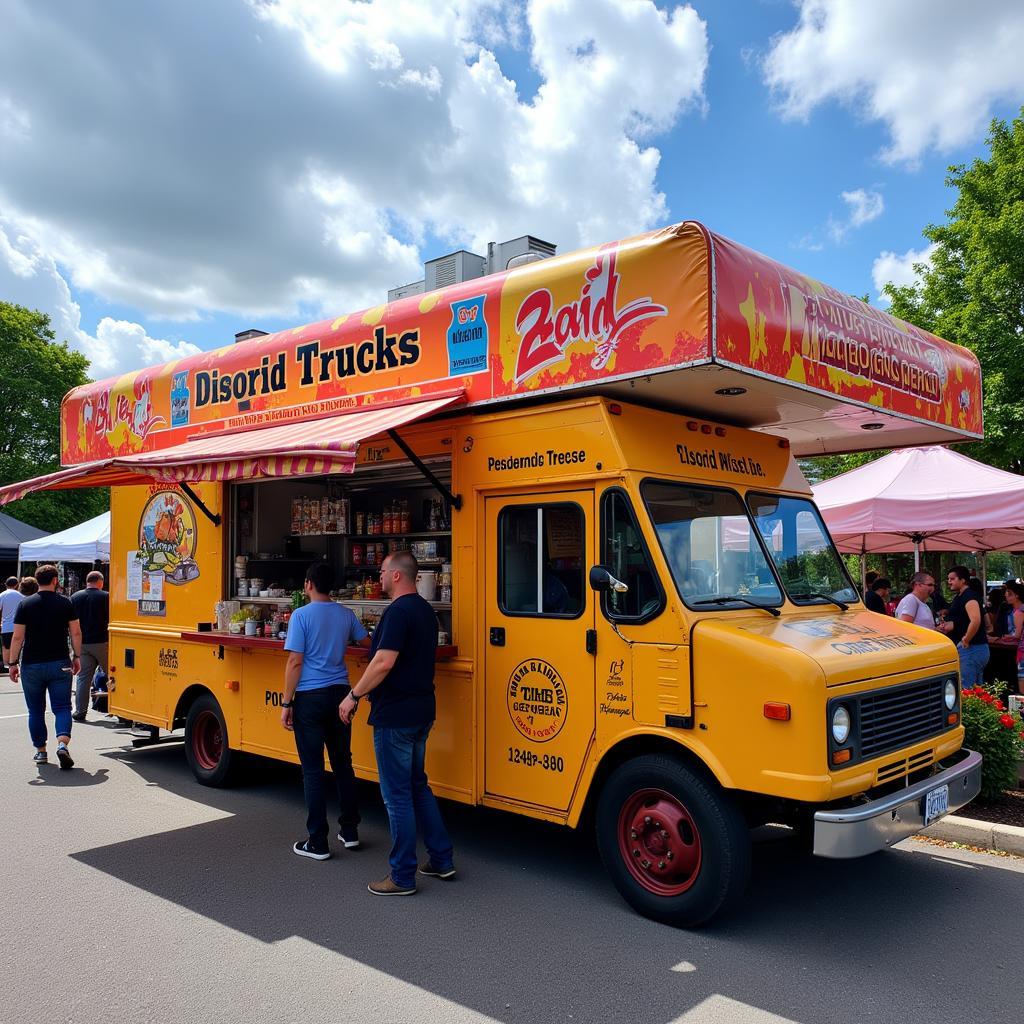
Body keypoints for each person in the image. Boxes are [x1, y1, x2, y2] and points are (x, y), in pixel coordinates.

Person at [340, 550, 455, 896]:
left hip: (396, 716)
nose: (378, 577)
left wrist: (353, 695)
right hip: (422, 710)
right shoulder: (424, 611)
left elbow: (383, 662)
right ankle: (441, 858)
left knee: (397, 795)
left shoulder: (398, 612)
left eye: (382, 571)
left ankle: (402, 875)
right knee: (418, 786)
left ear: (397, 576)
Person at [281, 561, 369, 860]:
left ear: (308, 584)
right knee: (343, 764)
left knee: (313, 771)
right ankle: (350, 831)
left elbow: (295, 661)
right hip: (340, 695)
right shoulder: (346, 614)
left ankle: (317, 841)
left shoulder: (300, 616)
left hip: (309, 697)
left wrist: (286, 702)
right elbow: (367, 643)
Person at [8, 564, 81, 768]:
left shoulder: (25, 604)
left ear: (37, 580)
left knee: (36, 710)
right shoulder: (66, 603)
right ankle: (62, 744)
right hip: (60, 662)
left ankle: (40, 751)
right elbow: (75, 632)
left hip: (32, 663)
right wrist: (77, 656)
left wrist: (13, 663)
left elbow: (17, 637)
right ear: (55, 580)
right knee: (62, 707)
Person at [939, 565, 989, 688]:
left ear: (963, 580)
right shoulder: (960, 596)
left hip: (972, 648)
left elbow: (975, 620)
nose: (949, 581)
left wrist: (966, 639)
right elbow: (963, 620)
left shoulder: (969, 596)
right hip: (970, 648)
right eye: (948, 579)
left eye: (952, 579)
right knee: (975, 690)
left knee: (967, 689)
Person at [70, 570, 109, 722]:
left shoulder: (75, 597)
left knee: (83, 678)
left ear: (87, 581)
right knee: (114, 676)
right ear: (100, 581)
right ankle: (121, 712)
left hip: (82, 643)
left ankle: (80, 711)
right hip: (103, 642)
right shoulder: (106, 597)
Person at [1, 575, 23, 675]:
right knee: (18, 646)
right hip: (19, 626)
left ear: (6, 584)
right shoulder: (21, 596)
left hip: (6, 626)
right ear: (17, 585)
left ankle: (8, 666)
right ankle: (16, 664)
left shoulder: (2, 595)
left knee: (6, 647)